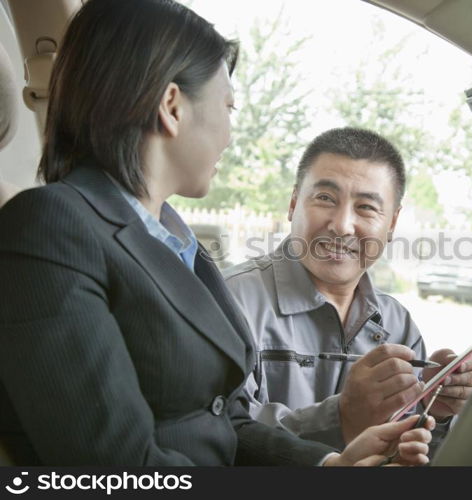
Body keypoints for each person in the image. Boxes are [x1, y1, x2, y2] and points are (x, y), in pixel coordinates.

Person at [0, 0, 433, 466]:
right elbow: (115, 466)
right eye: (228, 106)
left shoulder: (178, 245)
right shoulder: (49, 228)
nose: (230, 132)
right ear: (171, 106)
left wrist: (330, 466)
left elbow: (225, 421)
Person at [224, 128, 472, 450]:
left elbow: (410, 452)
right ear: (293, 204)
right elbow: (223, 436)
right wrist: (341, 417)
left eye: (366, 208)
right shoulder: (229, 301)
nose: (342, 225)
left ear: (392, 225)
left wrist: (434, 413)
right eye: (326, 199)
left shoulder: (397, 325)